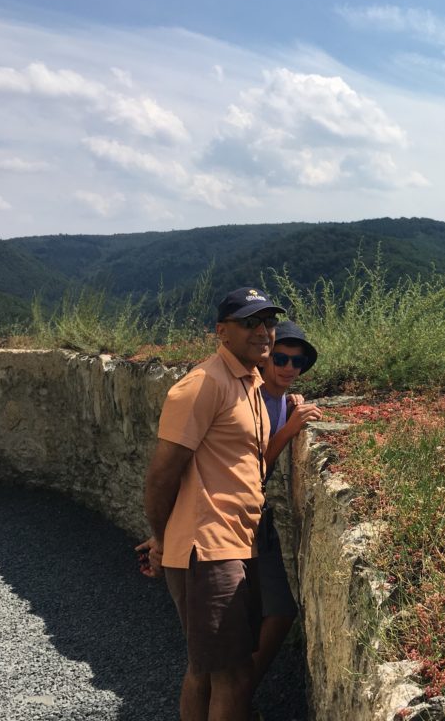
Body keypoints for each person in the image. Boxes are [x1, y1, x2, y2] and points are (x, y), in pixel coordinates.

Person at [142, 286, 284, 721]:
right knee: (233, 677)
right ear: (222, 331)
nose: (262, 332)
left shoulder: (249, 383)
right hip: (208, 549)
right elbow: (162, 473)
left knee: (207, 671)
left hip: (237, 544)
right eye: (249, 323)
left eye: (268, 323)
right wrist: (163, 540)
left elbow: (246, 463)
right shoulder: (202, 385)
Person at [252, 320, 323, 691]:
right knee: (275, 612)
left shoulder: (279, 398)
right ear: (265, 358)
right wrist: (289, 430)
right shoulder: (251, 398)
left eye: (297, 362)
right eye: (280, 358)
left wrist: (291, 411)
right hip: (239, 520)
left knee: (273, 612)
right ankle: (236, 697)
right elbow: (248, 469)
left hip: (256, 520)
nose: (289, 368)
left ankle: (237, 697)